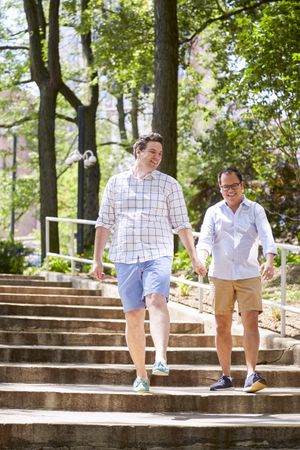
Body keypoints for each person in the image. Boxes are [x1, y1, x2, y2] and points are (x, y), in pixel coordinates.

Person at [90, 132, 206, 394]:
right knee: (133, 315)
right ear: (138, 151)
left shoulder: (169, 185)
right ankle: (141, 374)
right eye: (152, 151)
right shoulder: (116, 183)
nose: (157, 157)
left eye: (160, 153)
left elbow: (182, 224)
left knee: (156, 299)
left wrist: (194, 256)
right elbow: (104, 222)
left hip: (158, 252)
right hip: (126, 255)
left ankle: (161, 357)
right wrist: (96, 259)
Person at [197, 167, 277, 393]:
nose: (230, 190)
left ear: (242, 186)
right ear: (220, 187)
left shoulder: (255, 209)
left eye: (234, 186)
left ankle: (251, 374)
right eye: (225, 187)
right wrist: (200, 259)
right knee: (222, 326)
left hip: (248, 274)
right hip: (220, 275)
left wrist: (269, 261)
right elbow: (204, 240)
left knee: (250, 322)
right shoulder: (213, 212)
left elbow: (266, 236)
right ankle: (226, 376)